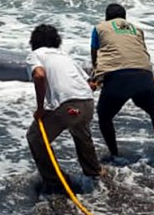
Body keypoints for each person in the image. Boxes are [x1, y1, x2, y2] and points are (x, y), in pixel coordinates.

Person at [26, 23, 101, 194]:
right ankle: (94, 173)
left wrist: (40, 109)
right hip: (87, 103)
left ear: (34, 41)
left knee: (35, 137)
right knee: (81, 134)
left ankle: (55, 181)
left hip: (69, 105)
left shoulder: (35, 55)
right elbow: (90, 85)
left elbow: (39, 75)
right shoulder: (64, 56)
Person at [90, 3, 154, 157]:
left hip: (118, 76)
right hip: (144, 73)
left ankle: (114, 154)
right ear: (124, 18)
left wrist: (96, 77)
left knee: (104, 116)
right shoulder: (136, 29)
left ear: (107, 17)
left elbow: (95, 55)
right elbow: (142, 51)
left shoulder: (99, 28)